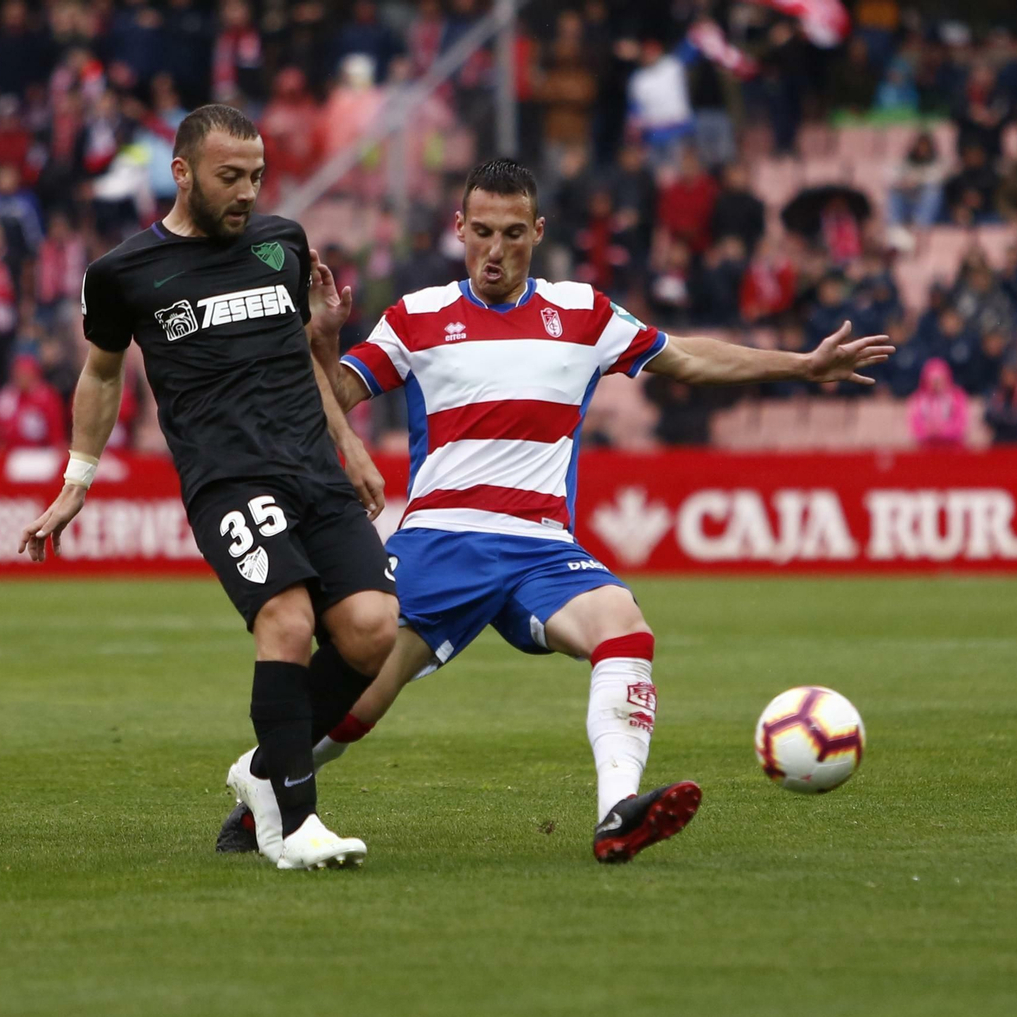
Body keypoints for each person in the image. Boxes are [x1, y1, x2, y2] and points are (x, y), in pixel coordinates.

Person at [223, 160, 892, 864]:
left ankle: (616, 815)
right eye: (481, 232)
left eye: (513, 234)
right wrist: (324, 339)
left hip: (543, 548)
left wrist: (800, 366)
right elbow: (329, 398)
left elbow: (688, 359)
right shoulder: (414, 318)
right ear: (458, 229)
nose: (495, 249)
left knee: (625, 631)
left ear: (537, 233)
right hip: (441, 541)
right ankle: (265, 789)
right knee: (362, 701)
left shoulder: (584, 314)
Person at [18, 105, 398, 872]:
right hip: (228, 480)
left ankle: (263, 771)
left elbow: (300, 359)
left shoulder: (281, 244)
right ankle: (294, 826)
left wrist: (350, 444)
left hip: (313, 472)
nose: (247, 192)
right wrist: (77, 479)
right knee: (287, 622)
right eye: (230, 177)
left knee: (372, 631)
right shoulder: (123, 273)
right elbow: (100, 372)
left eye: (256, 176)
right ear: (182, 172)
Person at [907, 357, 968, 448]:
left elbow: (961, 424)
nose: (936, 384)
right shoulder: (918, 398)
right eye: (933, 380)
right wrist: (928, 431)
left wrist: (943, 431)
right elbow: (915, 425)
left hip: (952, 448)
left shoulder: (957, 397)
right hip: (926, 448)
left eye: (939, 380)